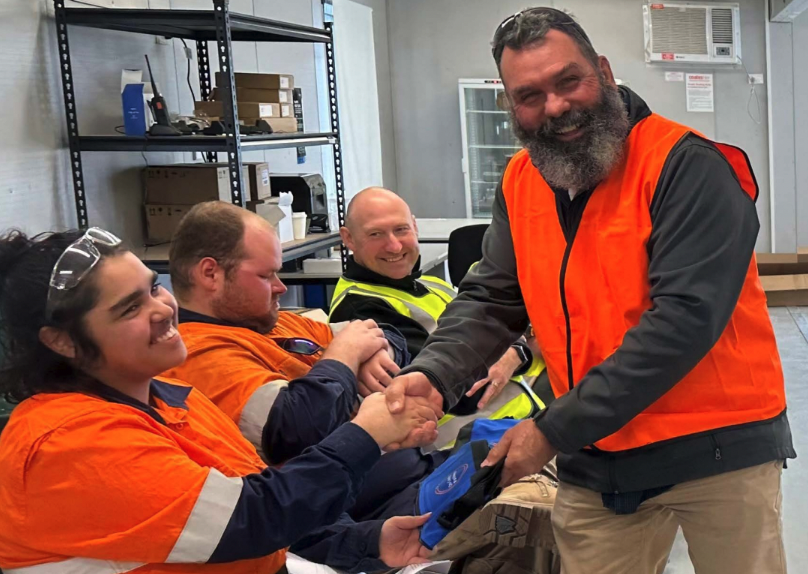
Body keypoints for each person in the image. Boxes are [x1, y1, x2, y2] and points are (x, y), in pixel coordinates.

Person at [386, 8, 795, 574]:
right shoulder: (521, 180)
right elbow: (493, 296)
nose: (555, 106)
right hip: (599, 455)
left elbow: (683, 322)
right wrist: (432, 375)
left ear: (602, 71)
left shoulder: (686, 165)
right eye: (529, 95)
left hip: (717, 450)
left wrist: (551, 430)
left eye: (568, 80)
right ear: (511, 105)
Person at [0, 227, 438, 574]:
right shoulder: (67, 444)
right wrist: (365, 432)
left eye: (154, 288)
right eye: (129, 308)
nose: (163, 309)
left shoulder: (171, 400)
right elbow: (253, 517)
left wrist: (366, 543)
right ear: (62, 342)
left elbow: (253, 496)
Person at [162, 201, 435, 464]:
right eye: (265, 276)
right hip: (347, 500)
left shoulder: (272, 322)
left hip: (403, 466)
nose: (281, 287)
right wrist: (346, 356)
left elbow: (385, 335)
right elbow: (294, 430)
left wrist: (369, 360)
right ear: (210, 274)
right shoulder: (197, 353)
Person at [330, 187, 540, 412]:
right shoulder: (360, 310)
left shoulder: (431, 284)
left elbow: (495, 327)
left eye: (401, 230)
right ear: (348, 239)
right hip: (471, 437)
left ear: (415, 226)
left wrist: (515, 350)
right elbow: (456, 387)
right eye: (376, 234)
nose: (394, 246)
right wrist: (520, 348)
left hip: (527, 404)